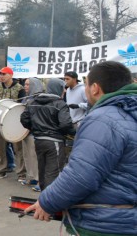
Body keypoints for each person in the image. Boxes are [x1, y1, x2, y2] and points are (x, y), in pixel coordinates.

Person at [26, 61, 136, 236]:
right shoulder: (130, 114)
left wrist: (47, 202)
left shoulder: (103, 119)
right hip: (126, 220)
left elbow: (81, 175)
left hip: (102, 224)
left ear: (95, 88)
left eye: (85, 85)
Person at [20, 81, 74, 192]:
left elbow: (24, 119)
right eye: (63, 88)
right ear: (58, 89)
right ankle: (49, 204)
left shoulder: (33, 101)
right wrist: (72, 132)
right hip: (54, 141)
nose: (64, 91)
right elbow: (65, 124)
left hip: (39, 140)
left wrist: (35, 129)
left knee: (43, 171)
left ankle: (44, 200)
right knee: (54, 173)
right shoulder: (60, 104)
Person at [0, 66, 26, 180]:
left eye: (4, 74)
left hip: (15, 121)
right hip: (1, 120)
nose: (1, 77)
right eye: (0, 74)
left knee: (18, 149)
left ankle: (21, 173)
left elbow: (22, 105)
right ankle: (1, 170)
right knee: (0, 148)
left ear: (11, 75)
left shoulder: (19, 88)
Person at [19, 77, 44, 191]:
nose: (25, 86)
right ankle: (31, 176)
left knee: (35, 157)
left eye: (28, 84)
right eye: (25, 84)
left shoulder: (39, 99)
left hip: (34, 132)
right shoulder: (26, 98)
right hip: (25, 132)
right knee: (27, 155)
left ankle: (39, 180)